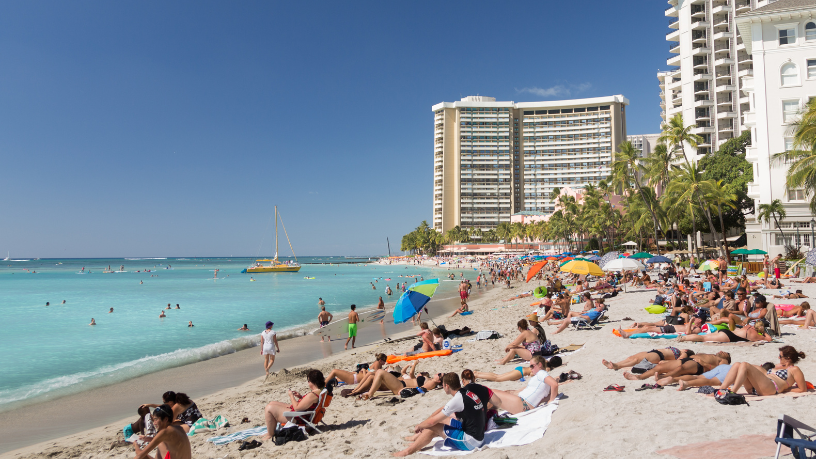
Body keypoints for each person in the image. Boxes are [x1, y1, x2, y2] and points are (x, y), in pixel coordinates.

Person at [394, 372, 490, 456]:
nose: (443, 387)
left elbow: (432, 422)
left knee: (433, 426)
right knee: (442, 419)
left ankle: (408, 451)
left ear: (447, 386)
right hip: (478, 435)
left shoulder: (457, 399)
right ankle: (418, 441)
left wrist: (419, 426)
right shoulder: (466, 392)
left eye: (443, 385)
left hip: (470, 442)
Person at [262, 370, 328, 441]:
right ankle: (271, 430)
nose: (308, 383)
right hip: (304, 413)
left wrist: (291, 396)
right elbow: (309, 403)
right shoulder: (319, 391)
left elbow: (296, 408)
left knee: (269, 408)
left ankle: (270, 434)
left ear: (313, 382)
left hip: (299, 417)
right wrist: (301, 397)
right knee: (272, 403)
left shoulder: (313, 395)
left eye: (308, 381)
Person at [718, 346, 807, 395]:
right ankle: (721, 389)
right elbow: (763, 372)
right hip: (757, 387)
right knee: (738, 364)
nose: (778, 357)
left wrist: (787, 390)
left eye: (780, 356)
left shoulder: (794, 369)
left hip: (771, 388)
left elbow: (803, 389)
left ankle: (733, 392)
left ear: (788, 358)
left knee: (745, 365)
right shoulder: (778, 366)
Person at [490, 356, 559, 414]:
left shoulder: (541, 373)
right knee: (492, 396)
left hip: (523, 404)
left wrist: (551, 400)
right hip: (525, 406)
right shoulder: (541, 380)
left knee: (490, 392)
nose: (530, 368)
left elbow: (555, 384)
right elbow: (545, 395)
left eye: (532, 366)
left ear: (540, 365)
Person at [476, 356, 563, 382]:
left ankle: (477, 373)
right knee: (497, 378)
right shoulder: (547, 368)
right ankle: (476, 375)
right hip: (521, 373)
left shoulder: (544, 360)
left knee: (497, 376)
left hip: (521, 369)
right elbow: (532, 374)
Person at [656, 363, 733, 390]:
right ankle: (687, 384)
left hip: (725, 367)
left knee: (697, 377)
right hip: (731, 371)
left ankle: (673, 379)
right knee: (712, 381)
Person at [602, 347, 690, 371]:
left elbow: (679, 361)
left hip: (659, 355)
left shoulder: (684, 353)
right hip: (654, 351)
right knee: (631, 358)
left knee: (636, 360)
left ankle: (617, 366)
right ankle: (616, 363)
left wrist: (666, 361)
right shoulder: (679, 350)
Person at [678, 321, 772, 343]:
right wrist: (763, 332)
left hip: (726, 332)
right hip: (728, 336)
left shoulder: (748, 326)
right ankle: (684, 338)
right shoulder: (755, 335)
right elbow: (769, 339)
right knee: (704, 338)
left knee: (705, 336)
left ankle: (685, 337)